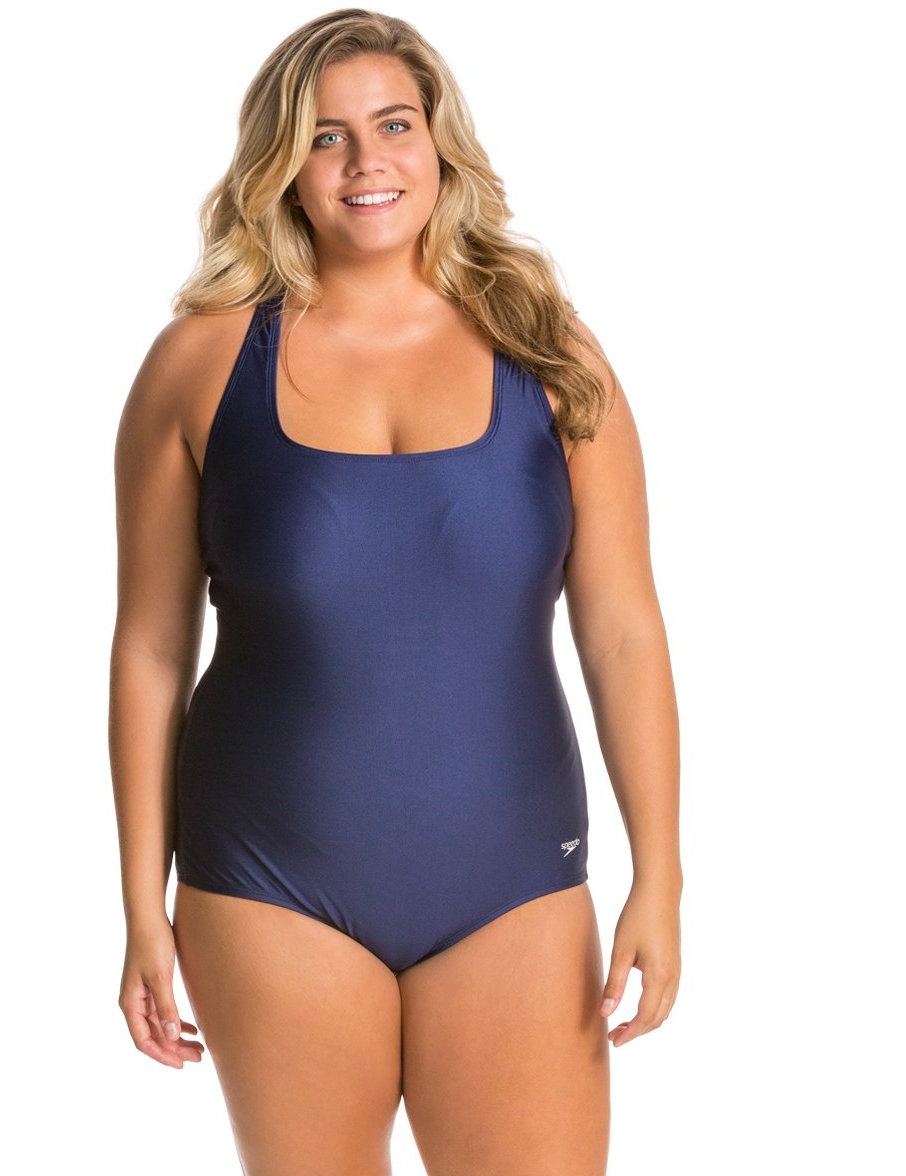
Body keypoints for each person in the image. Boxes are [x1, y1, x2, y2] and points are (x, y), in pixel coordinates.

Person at [109, 8, 682, 1173]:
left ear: (438, 140)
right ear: (282, 164)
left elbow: (623, 630)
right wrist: (138, 907)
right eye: (325, 137)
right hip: (270, 880)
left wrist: (660, 873)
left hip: (513, 882)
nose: (365, 162)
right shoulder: (199, 364)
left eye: (393, 125)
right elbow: (151, 648)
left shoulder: (552, 355)